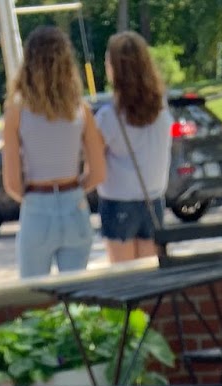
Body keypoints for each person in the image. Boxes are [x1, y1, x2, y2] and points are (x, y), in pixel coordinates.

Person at [1, 25, 105, 279]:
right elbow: (99, 172)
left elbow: (12, 183)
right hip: (74, 203)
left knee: (34, 298)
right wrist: (77, 187)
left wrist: (35, 200)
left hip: (37, 203)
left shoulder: (17, 111)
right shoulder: (80, 110)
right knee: (79, 301)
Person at [95, 32, 172, 264]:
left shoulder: (108, 117)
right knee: (149, 281)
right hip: (154, 198)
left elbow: (95, 163)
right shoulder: (161, 110)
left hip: (117, 201)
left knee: (124, 281)